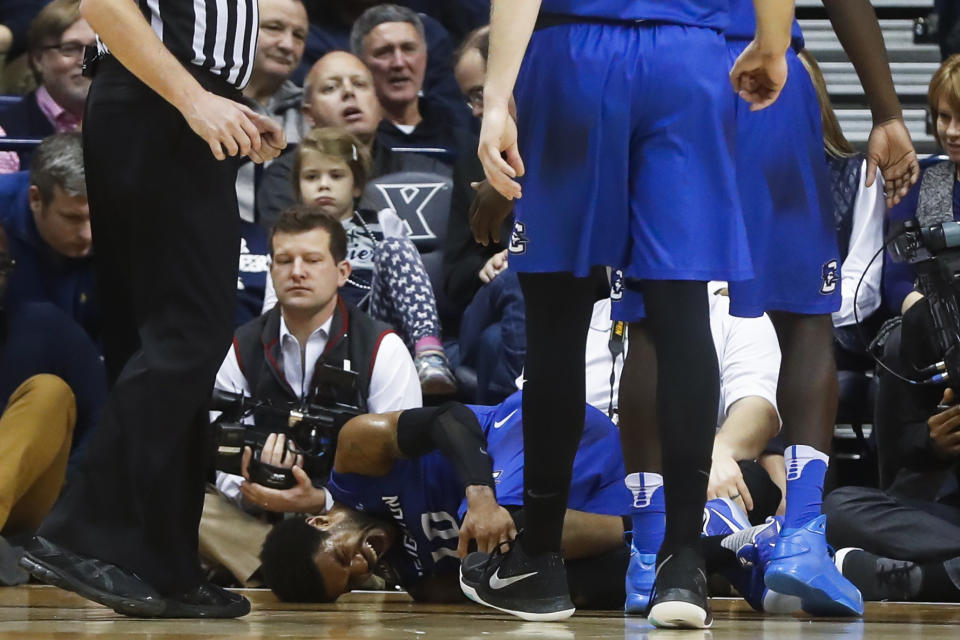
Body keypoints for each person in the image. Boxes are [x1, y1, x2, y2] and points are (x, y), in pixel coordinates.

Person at [469, 0, 793, 626]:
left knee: (557, 319)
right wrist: (773, 40)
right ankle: (681, 565)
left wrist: (498, 99)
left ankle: (539, 562)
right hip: (688, 57)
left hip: (573, 56)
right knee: (681, 313)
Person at [614, 0, 922, 621]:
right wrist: (887, 111)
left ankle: (650, 553)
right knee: (803, 315)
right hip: (761, 69)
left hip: (649, 71)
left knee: (650, 319)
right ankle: (801, 535)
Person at [18, 0, 285, 620]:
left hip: (171, 99)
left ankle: (160, 562)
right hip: (161, 100)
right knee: (189, 332)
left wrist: (220, 100)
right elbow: (105, 5)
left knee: (164, 339)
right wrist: (193, 99)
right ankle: (77, 530)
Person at [200, 204, 422, 586]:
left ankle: (272, 570)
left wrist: (320, 502)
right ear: (271, 271)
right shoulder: (240, 346)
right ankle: (310, 573)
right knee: (185, 501)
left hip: (342, 517)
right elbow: (222, 456)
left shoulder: (383, 347)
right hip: (258, 519)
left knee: (368, 530)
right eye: (284, 260)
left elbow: (405, 470)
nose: (297, 271)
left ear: (342, 272)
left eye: (312, 260)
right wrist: (255, 493)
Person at [0, 224, 107, 586]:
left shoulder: (44, 327)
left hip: (27, 507)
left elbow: (102, 421)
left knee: (50, 392)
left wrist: (66, 511)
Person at [256, 51, 446, 231]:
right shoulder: (285, 177)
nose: (348, 91)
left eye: (359, 84)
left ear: (380, 108)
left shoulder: (425, 173)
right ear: (309, 115)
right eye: (331, 87)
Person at [0, 132, 97, 342]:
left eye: (96, 218)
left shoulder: (127, 219)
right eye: (72, 218)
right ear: (36, 199)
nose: (87, 235)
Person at [350, 4, 476, 166]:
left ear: (425, 57)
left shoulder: (464, 141)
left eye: (408, 49)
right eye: (384, 52)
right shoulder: (353, 142)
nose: (399, 63)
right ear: (360, 64)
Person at [234, 0, 309, 224]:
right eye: (274, 28)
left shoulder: (314, 111)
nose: (288, 44)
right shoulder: (203, 103)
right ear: (240, 27)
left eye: (298, 35)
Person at [0, 0, 95, 172]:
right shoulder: (5, 131)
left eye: (96, 48)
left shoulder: (132, 121)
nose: (86, 60)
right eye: (70, 48)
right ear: (37, 59)